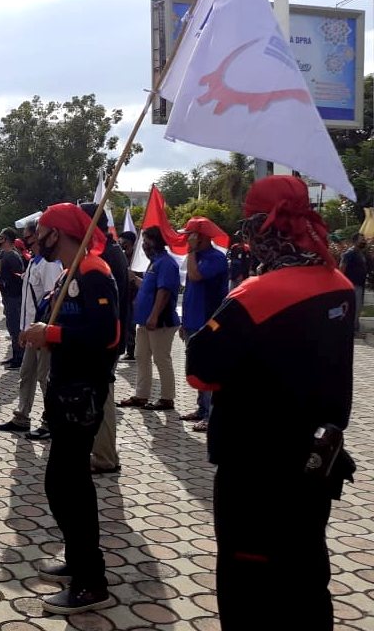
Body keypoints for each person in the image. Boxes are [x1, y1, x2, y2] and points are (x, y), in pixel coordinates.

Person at [186, 176, 355, 631]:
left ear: (263, 225)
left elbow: (199, 371)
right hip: (317, 464)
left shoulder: (256, 295)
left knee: (251, 590)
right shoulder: (339, 283)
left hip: (259, 472)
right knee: (305, 575)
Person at [20, 203, 119, 614]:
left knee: (68, 485)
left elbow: (108, 334)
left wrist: (53, 332)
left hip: (84, 391)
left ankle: (91, 582)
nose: (36, 237)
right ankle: (79, 562)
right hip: (64, 388)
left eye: (42, 231)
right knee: (63, 483)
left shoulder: (94, 270)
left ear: (57, 233)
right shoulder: (68, 271)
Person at [0, 222, 62, 438]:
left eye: (29, 235)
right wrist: (24, 330)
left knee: (45, 377)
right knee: (26, 374)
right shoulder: (34, 261)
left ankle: (51, 420)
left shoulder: (50, 264)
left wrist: (44, 331)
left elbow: (52, 300)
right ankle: (22, 417)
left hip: (42, 332)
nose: (24, 239)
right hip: (31, 331)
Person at [79, 204, 129, 476]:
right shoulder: (110, 250)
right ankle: (102, 451)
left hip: (107, 339)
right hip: (109, 336)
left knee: (103, 397)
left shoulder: (106, 254)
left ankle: (106, 457)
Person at [118, 226, 179, 411]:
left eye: (147, 241)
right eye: (143, 242)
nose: (144, 246)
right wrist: (134, 279)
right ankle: (141, 395)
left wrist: (154, 315)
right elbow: (150, 286)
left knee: (161, 359)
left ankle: (167, 398)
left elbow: (164, 291)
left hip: (160, 322)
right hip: (144, 321)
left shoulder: (166, 263)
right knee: (141, 357)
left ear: (158, 241)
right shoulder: (154, 262)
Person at [179, 217, 229, 432]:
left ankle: (211, 416)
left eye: (190, 235)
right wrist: (184, 322)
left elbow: (195, 276)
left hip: (208, 323)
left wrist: (190, 252)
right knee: (198, 368)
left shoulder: (215, 258)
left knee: (209, 369)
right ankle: (201, 409)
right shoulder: (197, 256)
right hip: (192, 322)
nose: (186, 239)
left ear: (200, 237)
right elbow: (189, 292)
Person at [0, 228, 26, 369]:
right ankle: (15, 355)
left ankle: (19, 358)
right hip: (7, 296)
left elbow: (18, 276)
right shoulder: (4, 254)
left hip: (14, 296)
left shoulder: (13, 256)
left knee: (15, 327)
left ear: (7, 238)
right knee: (10, 325)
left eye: (1, 237)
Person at [339, 232, 367, 336]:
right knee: (354, 308)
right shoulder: (349, 253)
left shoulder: (360, 253)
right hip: (353, 285)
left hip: (360, 285)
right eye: (361, 239)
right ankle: (353, 331)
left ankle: (356, 329)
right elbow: (342, 267)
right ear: (355, 241)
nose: (364, 241)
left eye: (364, 239)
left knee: (358, 307)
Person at [118, 231, 139, 360]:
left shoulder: (138, 258)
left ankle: (131, 350)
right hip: (125, 294)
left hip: (135, 295)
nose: (121, 244)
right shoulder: (122, 256)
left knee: (131, 324)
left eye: (123, 241)